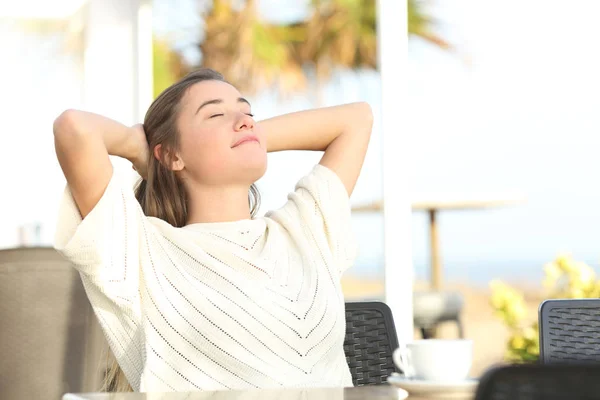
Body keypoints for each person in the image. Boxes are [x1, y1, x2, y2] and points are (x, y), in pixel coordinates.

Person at [53, 68, 373, 392]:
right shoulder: (141, 251)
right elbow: (75, 128)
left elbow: (357, 119)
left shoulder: (303, 230)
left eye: (248, 112)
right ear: (172, 155)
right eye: (216, 114)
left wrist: (250, 137)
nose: (245, 120)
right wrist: (141, 149)